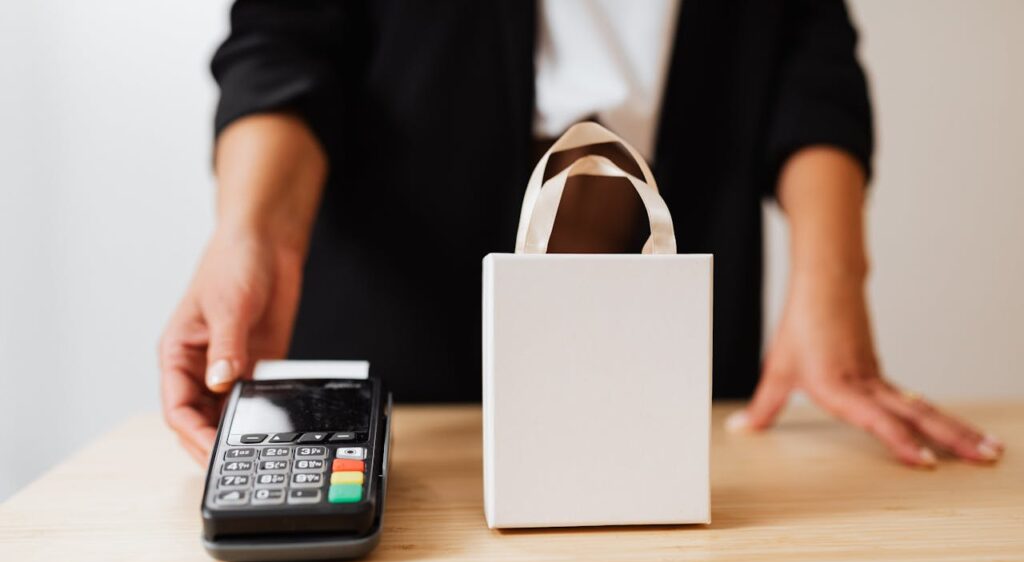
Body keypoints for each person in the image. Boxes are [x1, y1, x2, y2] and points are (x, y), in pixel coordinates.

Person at [161, 0, 1005, 468]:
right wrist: (253, 237)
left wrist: (832, 279)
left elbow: (807, 46)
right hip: (401, 302)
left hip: (667, 297)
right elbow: (285, 38)